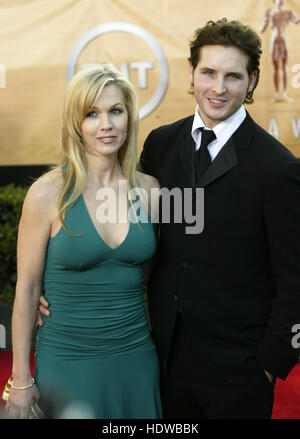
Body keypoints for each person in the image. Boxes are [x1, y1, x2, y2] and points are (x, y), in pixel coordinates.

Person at [139, 18, 300, 418]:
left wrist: (269, 365)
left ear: (252, 81)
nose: (218, 87)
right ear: (191, 73)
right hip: (163, 359)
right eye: (208, 72)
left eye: (232, 76)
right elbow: (131, 237)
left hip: (239, 372)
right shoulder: (159, 145)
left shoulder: (278, 167)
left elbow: (296, 277)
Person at [5, 64, 162, 419]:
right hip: (66, 359)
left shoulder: (150, 191)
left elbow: (153, 277)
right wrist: (21, 378)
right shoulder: (47, 194)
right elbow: (28, 290)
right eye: (91, 113)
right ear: (76, 123)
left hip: (136, 356)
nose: (105, 124)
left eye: (115, 111)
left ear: (129, 117)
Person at [260, 0, 300, 103]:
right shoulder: (271, 13)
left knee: (285, 67)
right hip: (274, 42)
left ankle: (285, 94)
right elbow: (262, 30)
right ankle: (277, 94)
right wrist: (265, 17)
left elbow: (296, 21)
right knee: (276, 68)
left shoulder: (288, 13)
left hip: (284, 41)